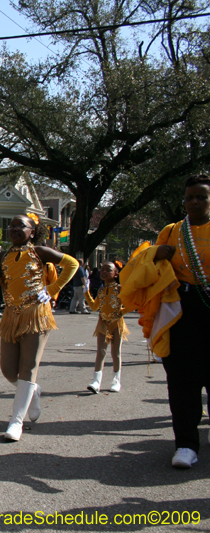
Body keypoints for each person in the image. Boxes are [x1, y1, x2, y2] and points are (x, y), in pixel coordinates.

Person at [121, 174, 210, 469]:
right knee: (182, 379)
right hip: (181, 309)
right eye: (190, 197)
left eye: (201, 196)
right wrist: (156, 253)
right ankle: (185, 443)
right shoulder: (172, 231)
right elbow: (146, 265)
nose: (195, 202)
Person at [0, 213, 79, 441]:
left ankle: (16, 422)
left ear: (32, 232)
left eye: (21, 226)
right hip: (11, 316)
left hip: (36, 314)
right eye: (12, 225)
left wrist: (53, 288)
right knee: (8, 370)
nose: (15, 229)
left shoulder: (39, 252)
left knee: (28, 367)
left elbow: (72, 264)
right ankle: (32, 390)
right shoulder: (2, 257)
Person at [83, 261, 128, 394]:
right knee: (101, 352)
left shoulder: (120, 288)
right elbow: (94, 307)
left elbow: (130, 304)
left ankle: (116, 381)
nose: (104, 272)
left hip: (116, 323)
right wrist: (87, 292)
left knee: (115, 352)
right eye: (102, 269)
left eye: (108, 270)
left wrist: (121, 312)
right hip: (103, 323)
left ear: (116, 274)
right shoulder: (102, 290)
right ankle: (96, 381)